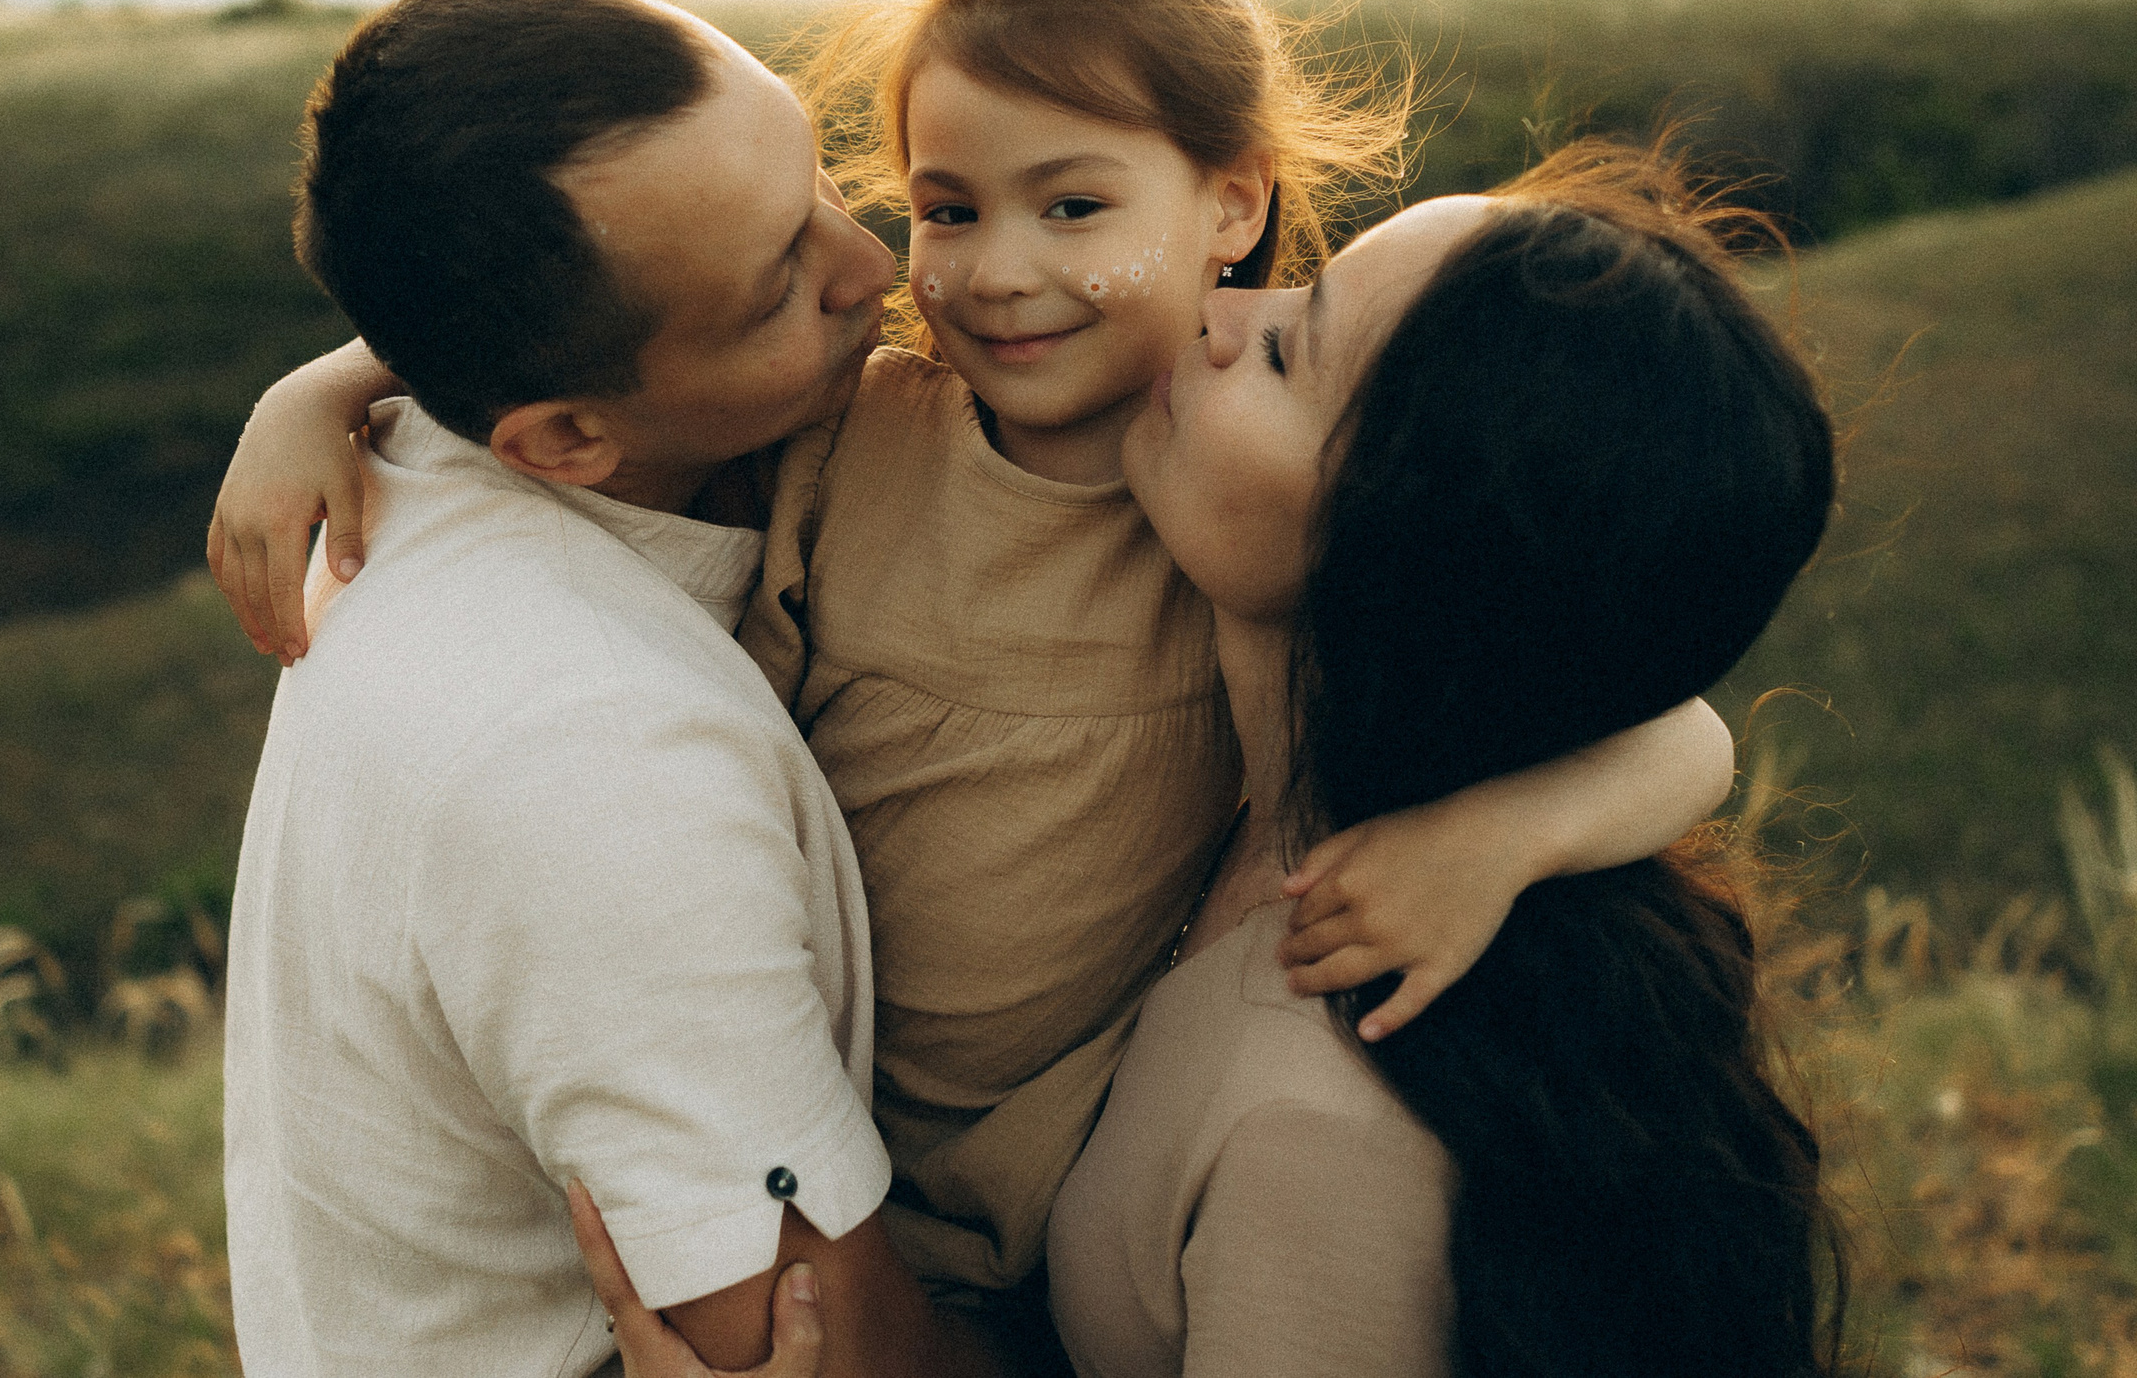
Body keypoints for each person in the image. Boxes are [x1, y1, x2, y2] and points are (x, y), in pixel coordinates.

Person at [213, 0, 1738, 1338]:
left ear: (1231, 197)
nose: (987, 271)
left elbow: (1674, 725)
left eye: (1073, 205)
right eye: (947, 205)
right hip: (826, 1145)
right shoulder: (853, 425)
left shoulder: (1237, 502)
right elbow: (568, 348)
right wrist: (334, 383)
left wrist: (1502, 836)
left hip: (1051, 1209)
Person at [573, 146, 1842, 1377]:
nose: (1228, 311)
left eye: (1293, 351)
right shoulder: (1312, 807)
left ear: (1407, 553)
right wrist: (390, 376)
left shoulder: (1320, 1122)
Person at [222, 0, 1000, 1378]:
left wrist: (324, 376)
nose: (868, 263)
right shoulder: (594, 760)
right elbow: (811, 1347)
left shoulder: (431, 452)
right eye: (779, 286)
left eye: (815, 174)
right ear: (565, 438)